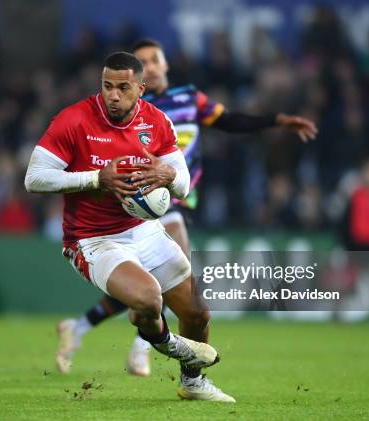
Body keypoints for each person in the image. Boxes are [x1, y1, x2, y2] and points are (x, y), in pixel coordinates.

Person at [56, 39, 318, 377]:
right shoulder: (129, 107)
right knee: (169, 280)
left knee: (148, 288)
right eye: (143, 61)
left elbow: (230, 120)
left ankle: (80, 328)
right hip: (139, 204)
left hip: (177, 196)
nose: (149, 65)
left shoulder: (190, 100)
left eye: (155, 59)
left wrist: (277, 120)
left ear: (165, 65)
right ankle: (143, 351)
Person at [25, 52, 235, 402]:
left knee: (198, 312)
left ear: (141, 87)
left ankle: (192, 383)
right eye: (107, 86)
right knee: (147, 299)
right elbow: (34, 178)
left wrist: (168, 175)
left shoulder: (157, 122)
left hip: (144, 230)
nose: (113, 95)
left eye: (123, 87)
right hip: (93, 239)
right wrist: (96, 179)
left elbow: (182, 183)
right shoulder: (74, 120)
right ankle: (173, 346)